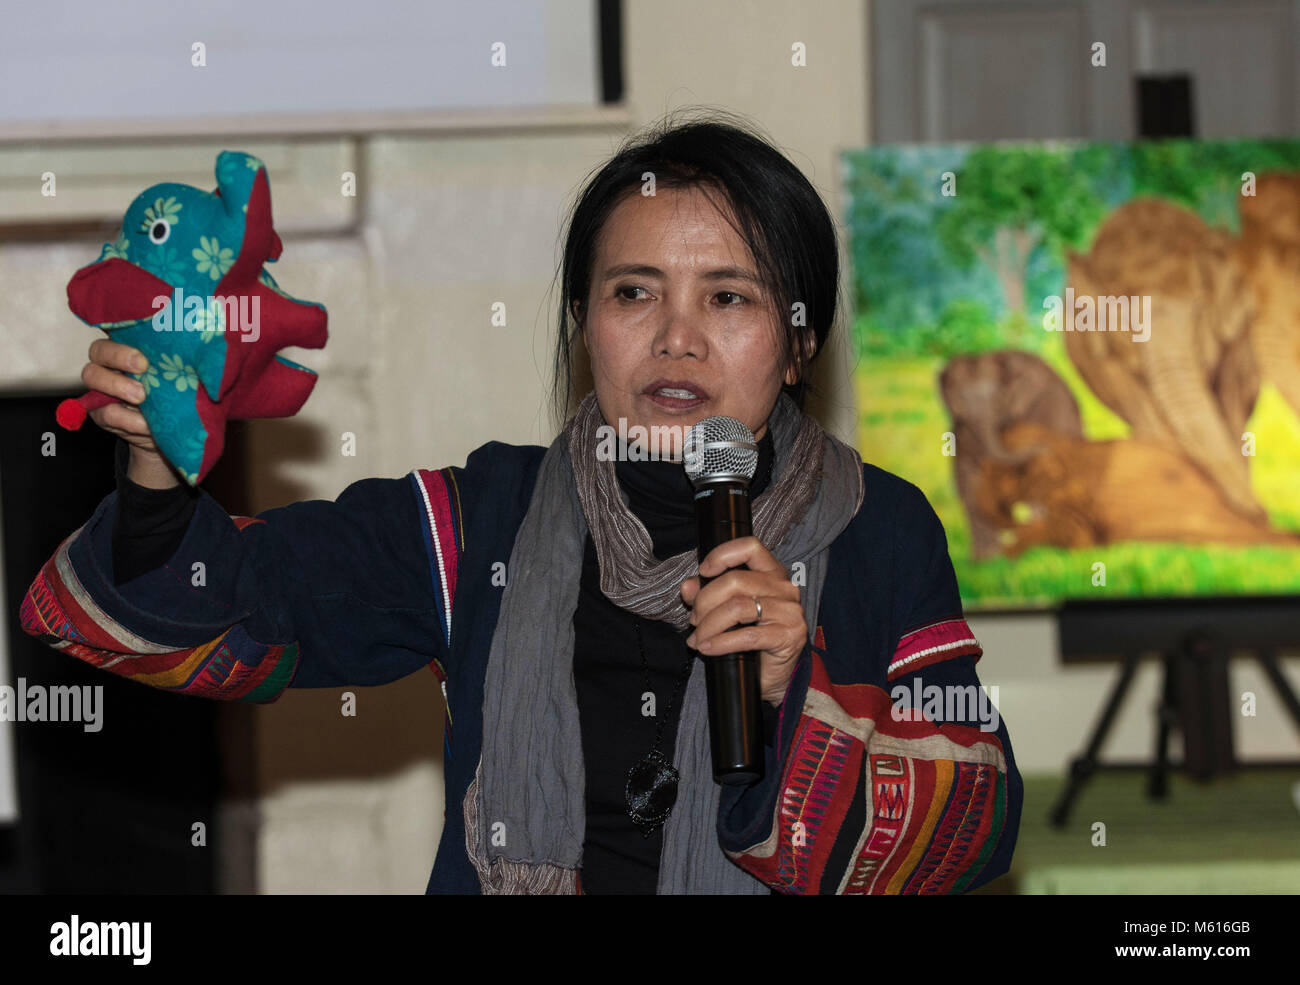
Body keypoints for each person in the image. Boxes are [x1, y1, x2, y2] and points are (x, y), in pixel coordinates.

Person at [20, 110, 1022, 894]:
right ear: (586, 323)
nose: (676, 337)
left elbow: (979, 817)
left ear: (799, 343)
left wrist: (789, 691)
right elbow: (217, 599)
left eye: (728, 297)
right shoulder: (484, 520)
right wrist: (154, 466)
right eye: (634, 293)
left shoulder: (877, 528)